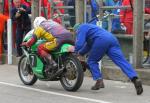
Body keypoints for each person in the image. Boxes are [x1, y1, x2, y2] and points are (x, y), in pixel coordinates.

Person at [69, 23, 143, 95]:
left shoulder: (81, 28)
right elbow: (88, 45)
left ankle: (99, 80)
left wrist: (74, 50)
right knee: (122, 61)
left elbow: (80, 43)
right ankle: (135, 78)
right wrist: (80, 53)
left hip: (101, 40)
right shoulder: (91, 29)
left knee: (92, 61)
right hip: (112, 39)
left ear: (76, 30)